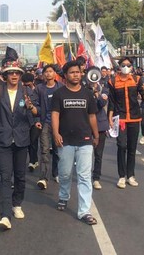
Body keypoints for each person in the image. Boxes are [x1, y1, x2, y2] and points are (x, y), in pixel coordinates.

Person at [0, 59, 39, 231]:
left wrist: (30, 107)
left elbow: (37, 112)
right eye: (11, 73)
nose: (14, 75)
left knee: (20, 176)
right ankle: (5, 215)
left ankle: (17, 204)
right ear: (6, 76)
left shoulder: (27, 92)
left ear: (21, 76)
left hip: (21, 140)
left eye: (17, 73)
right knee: (6, 177)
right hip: (3, 140)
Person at [51, 61, 99, 225]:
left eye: (78, 72)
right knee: (65, 173)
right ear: (65, 75)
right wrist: (56, 133)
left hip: (85, 140)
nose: (75, 75)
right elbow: (55, 115)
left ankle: (84, 211)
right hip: (65, 140)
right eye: (72, 72)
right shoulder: (59, 94)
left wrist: (96, 134)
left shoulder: (87, 94)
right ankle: (64, 196)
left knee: (84, 176)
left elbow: (92, 116)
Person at [108, 57, 144, 188]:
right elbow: (111, 102)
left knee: (132, 148)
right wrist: (110, 118)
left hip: (135, 118)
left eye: (128, 65)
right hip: (121, 118)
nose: (126, 67)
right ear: (119, 66)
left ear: (131, 67)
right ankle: (121, 176)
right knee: (121, 146)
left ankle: (131, 175)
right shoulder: (112, 81)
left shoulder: (137, 80)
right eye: (123, 65)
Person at [35, 64, 63, 190]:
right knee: (44, 150)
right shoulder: (39, 88)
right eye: (46, 72)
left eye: (50, 71)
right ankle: (43, 177)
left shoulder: (61, 87)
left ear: (55, 73)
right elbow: (35, 105)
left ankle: (56, 172)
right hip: (45, 122)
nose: (48, 74)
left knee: (58, 150)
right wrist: (36, 120)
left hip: (59, 123)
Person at [90, 76, 110, 190]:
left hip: (100, 125)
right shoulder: (83, 88)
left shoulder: (104, 89)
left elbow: (102, 103)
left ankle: (96, 178)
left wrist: (96, 92)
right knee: (85, 154)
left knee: (98, 154)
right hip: (86, 125)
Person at [21, 72, 41, 172]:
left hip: (36, 119)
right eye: (25, 84)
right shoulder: (21, 91)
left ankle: (34, 160)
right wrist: (23, 103)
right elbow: (20, 105)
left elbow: (40, 106)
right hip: (25, 120)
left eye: (28, 84)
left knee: (33, 140)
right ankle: (33, 160)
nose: (26, 86)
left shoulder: (39, 89)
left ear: (33, 82)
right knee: (29, 142)